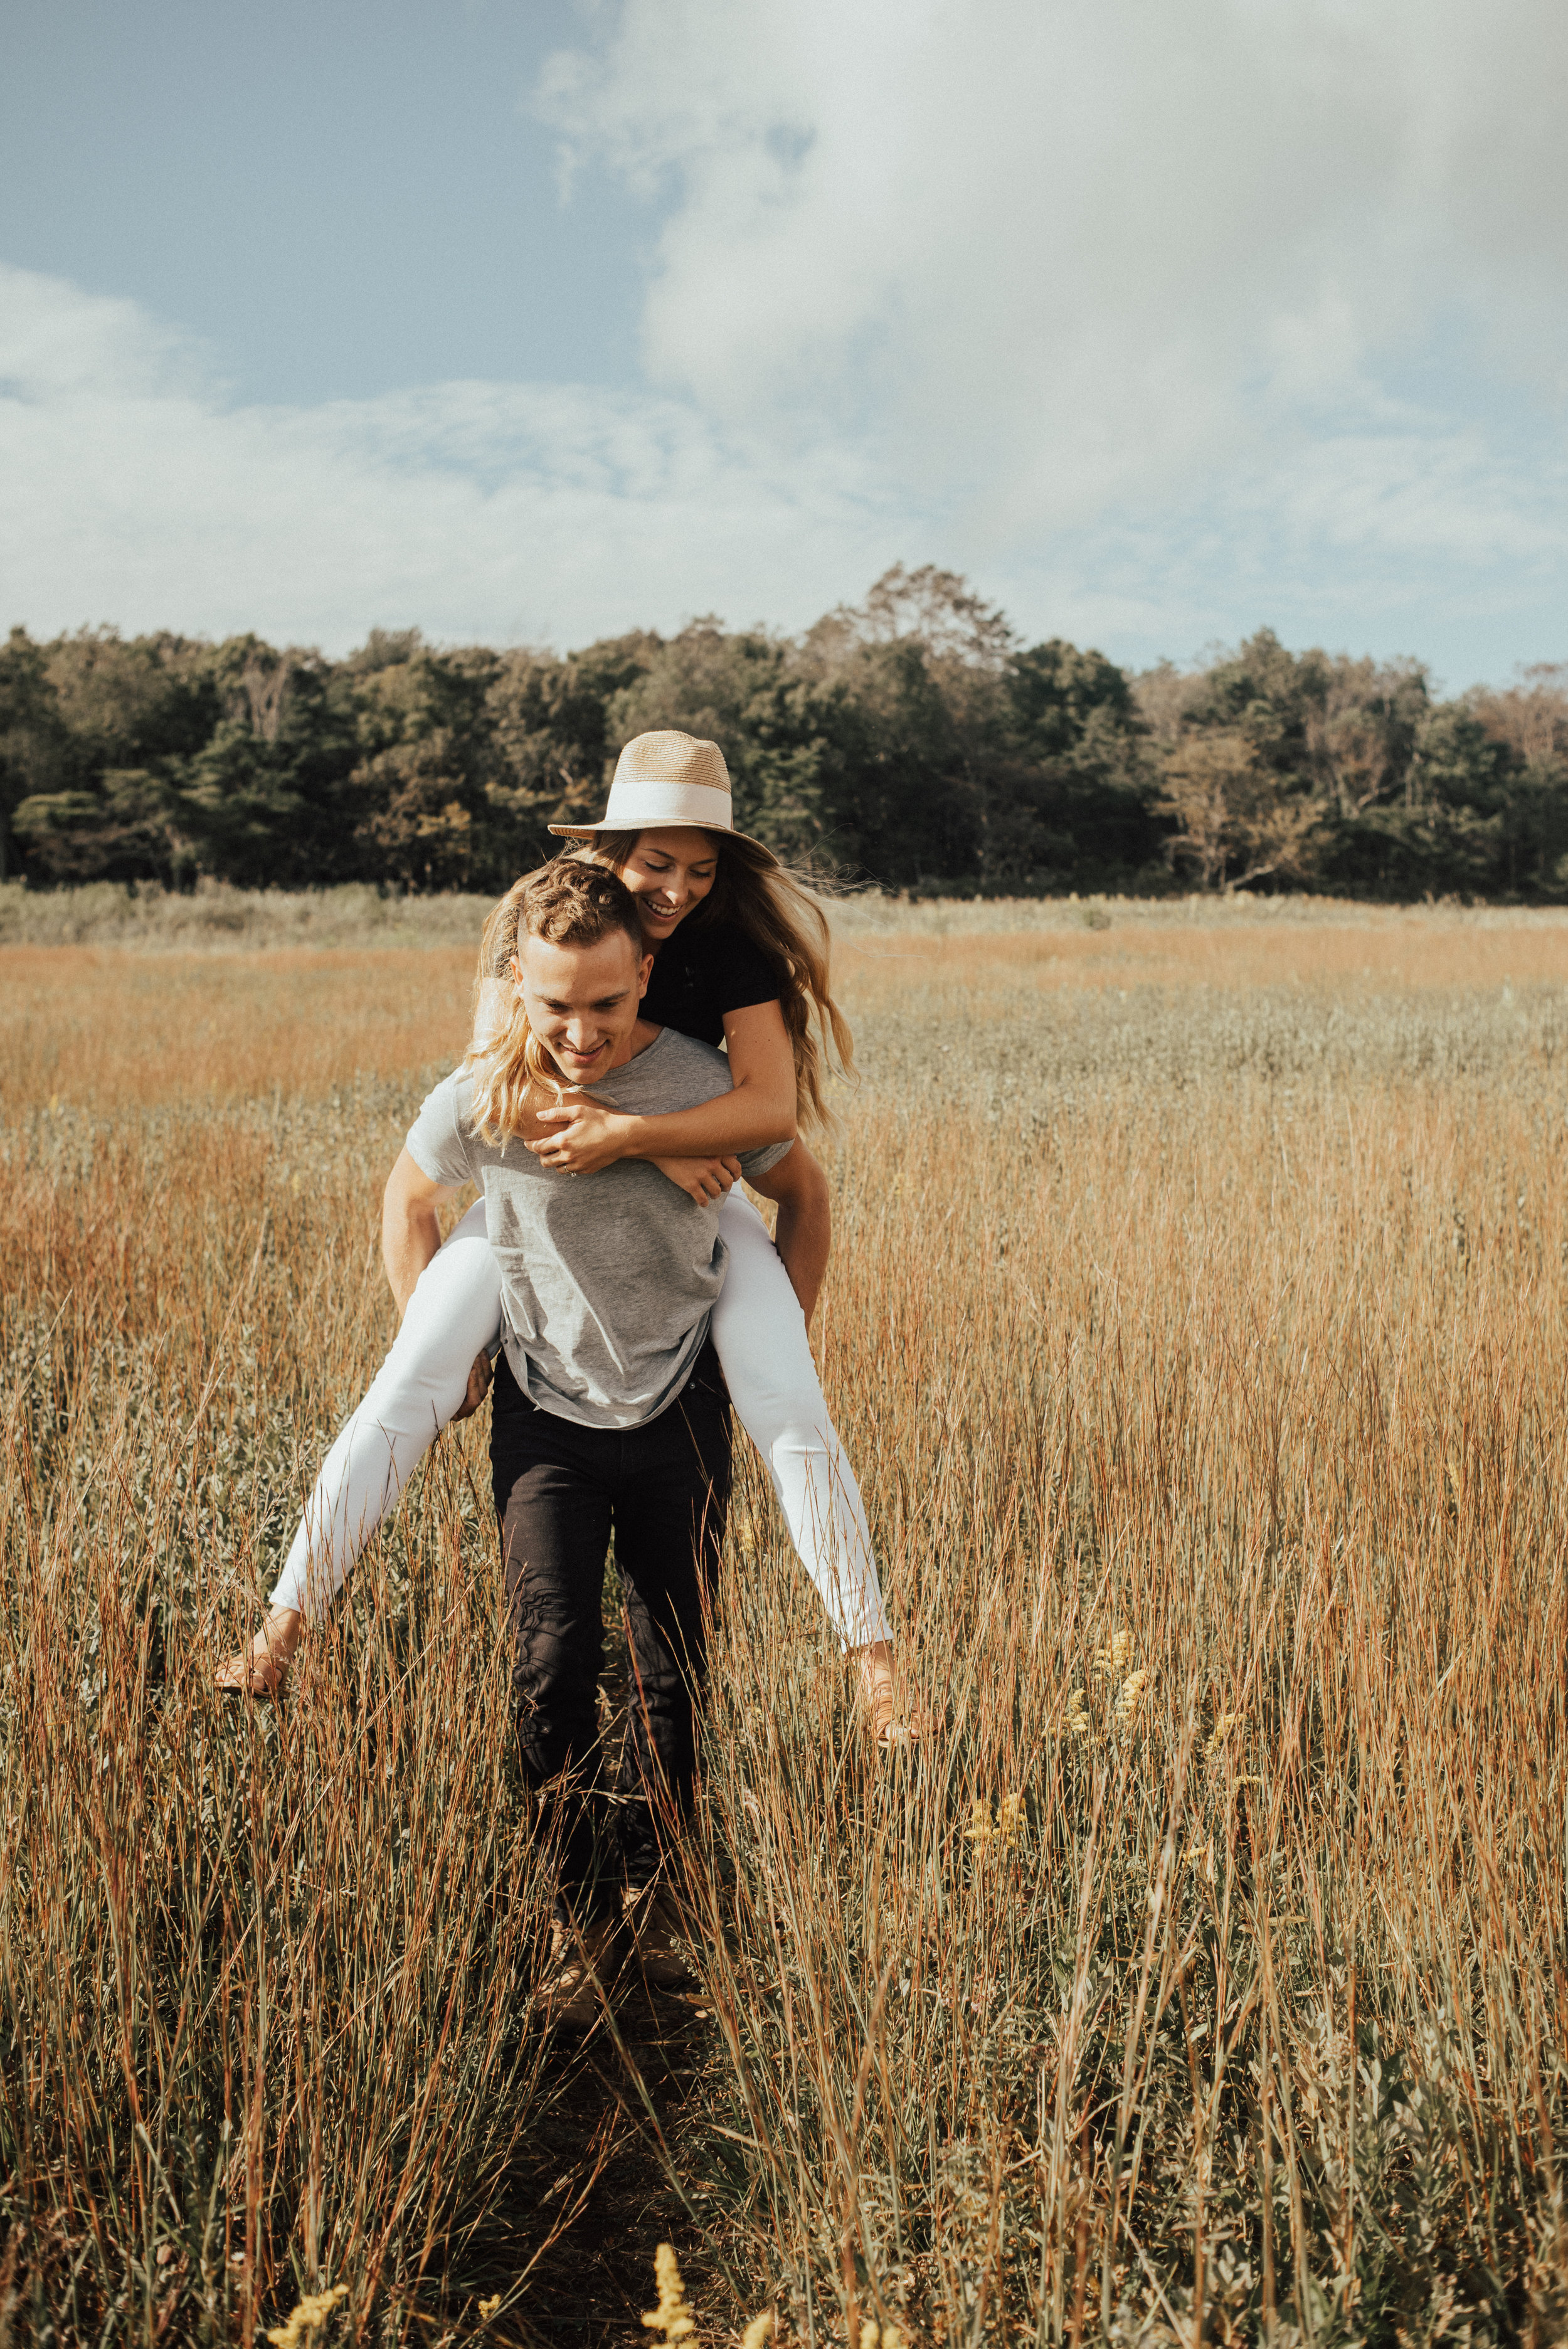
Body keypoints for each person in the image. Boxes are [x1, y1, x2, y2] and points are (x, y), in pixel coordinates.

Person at [216, 730, 914, 1741]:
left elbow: (768, 1114)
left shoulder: (730, 949)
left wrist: (647, 1145)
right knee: (406, 1383)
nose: (676, 889)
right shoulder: (544, 919)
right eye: (656, 864)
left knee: (787, 1401)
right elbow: (506, 1067)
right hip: (532, 1199)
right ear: (611, 850)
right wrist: (633, 1145)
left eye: (700, 869)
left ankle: (877, 1665)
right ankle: (280, 1632)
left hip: (693, 1196)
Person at [398, 857, 801, 2018]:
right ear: (517, 989)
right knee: (553, 1664)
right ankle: (581, 1927)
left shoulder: (697, 1079)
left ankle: (666, 1916)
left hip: (680, 1407)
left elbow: (804, 1188)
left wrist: (780, 1352)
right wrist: (448, 1345)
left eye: (607, 1004)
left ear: (647, 981)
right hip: (543, 1421)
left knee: (674, 1668)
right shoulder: (490, 1088)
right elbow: (406, 1198)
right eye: (555, 1005)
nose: (580, 1031)